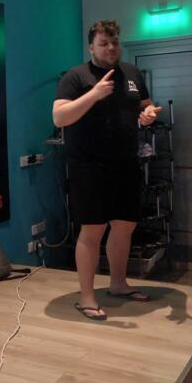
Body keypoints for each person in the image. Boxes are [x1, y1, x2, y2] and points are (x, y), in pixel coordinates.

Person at [53, 20, 162, 321]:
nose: (111, 48)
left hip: (125, 163)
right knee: (92, 231)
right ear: (91, 47)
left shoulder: (132, 73)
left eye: (114, 42)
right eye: (104, 43)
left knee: (124, 226)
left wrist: (148, 114)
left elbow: (145, 106)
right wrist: (94, 94)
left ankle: (118, 284)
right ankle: (86, 297)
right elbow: (59, 117)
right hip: (88, 165)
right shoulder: (76, 77)